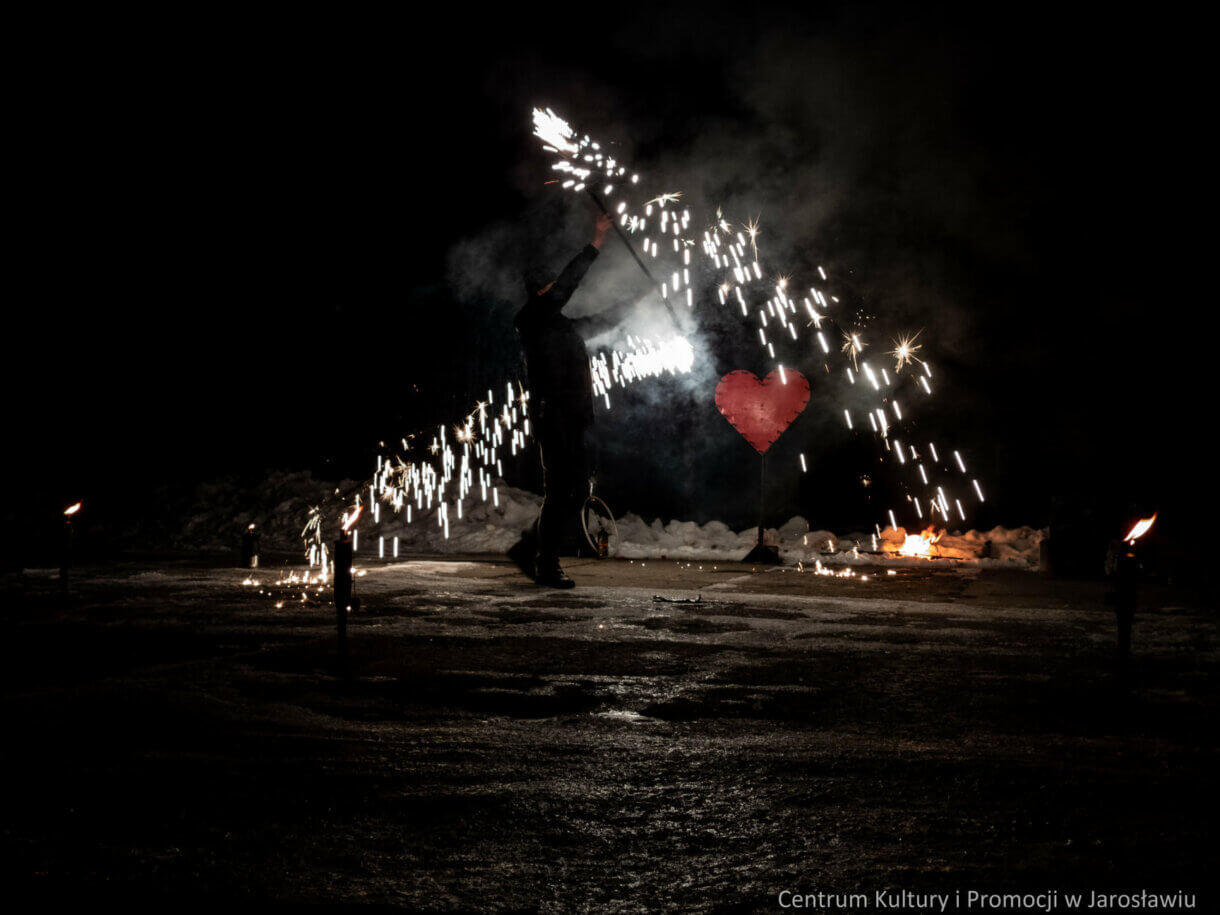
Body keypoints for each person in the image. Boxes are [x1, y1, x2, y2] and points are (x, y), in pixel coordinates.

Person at [512, 212, 613, 587]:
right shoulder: (533, 318)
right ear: (541, 290)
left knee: (574, 490)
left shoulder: (558, 325)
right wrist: (597, 240)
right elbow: (570, 280)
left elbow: (600, 322)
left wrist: (645, 301)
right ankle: (545, 563)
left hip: (570, 417)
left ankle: (533, 551)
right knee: (561, 491)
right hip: (553, 417)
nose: (557, 288)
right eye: (550, 285)